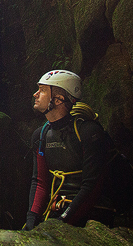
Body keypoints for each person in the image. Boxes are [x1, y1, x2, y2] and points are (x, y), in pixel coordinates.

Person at [24, 70, 115, 230]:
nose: (35, 94)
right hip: (58, 210)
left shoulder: (88, 133)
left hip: (92, 214)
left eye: (42, 90)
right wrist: (32, 220)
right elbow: (40, 182)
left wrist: (63, 223)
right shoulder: (41, 135)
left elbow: (91, 186)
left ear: (58, 100)